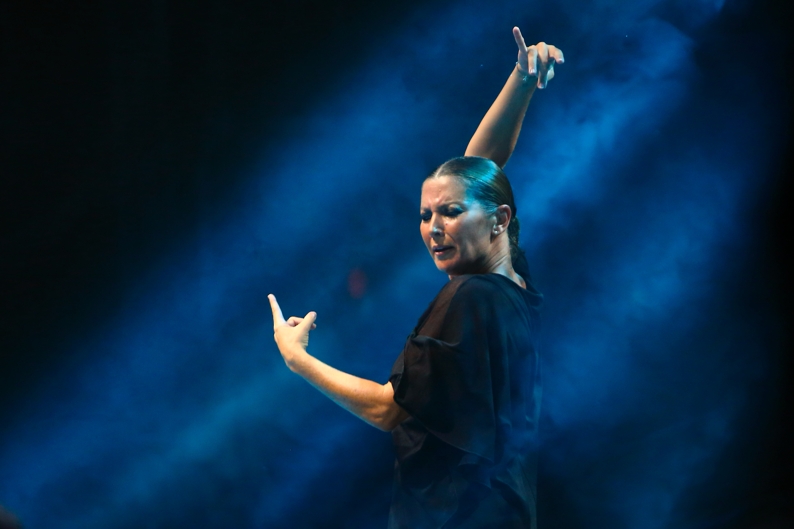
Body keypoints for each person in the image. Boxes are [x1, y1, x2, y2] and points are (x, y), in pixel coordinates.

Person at [269, 27, 563, 528]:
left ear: (500, 220)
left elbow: (389, 410)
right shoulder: (515, 290)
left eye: (449, 212)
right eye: (425, 215)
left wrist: (299, 360)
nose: (433, 228)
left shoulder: (471, 296)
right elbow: (482, 169)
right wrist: (520, 80)